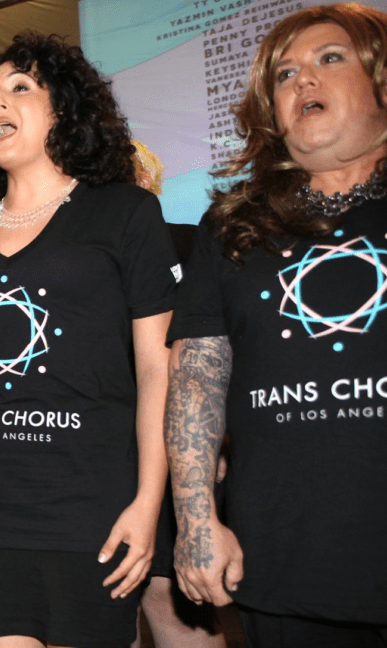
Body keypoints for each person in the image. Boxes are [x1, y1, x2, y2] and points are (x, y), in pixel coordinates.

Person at [0, 32, 179, 648]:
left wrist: (148, 502)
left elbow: (157, 367)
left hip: (92, 498)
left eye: (20, 89)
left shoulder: (124, 213)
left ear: (64, 109)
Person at [165, 4, 387, 646]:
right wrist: (197, 519)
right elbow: (197, 379)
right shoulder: (233, 224)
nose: (302, 82)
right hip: (286, 565)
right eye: (285, 74)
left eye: (330, 58)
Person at [127, 142, 226, 648]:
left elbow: (217, 355)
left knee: (173, 598)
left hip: (179, 450)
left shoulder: (192, 244)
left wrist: (218, 446)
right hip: (104, 454)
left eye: (130, 166)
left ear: (151, 179)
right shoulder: (83, 256)